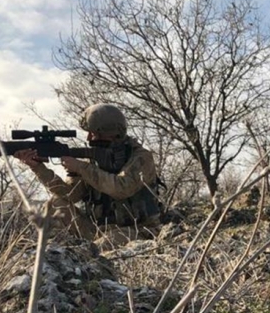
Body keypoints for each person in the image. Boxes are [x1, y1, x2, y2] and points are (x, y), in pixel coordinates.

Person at [14, 104, 161, 248]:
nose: (89, 138)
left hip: (139, 231)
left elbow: (121, 187)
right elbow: (70, 195)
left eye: (93, 133)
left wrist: (80, 167)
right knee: (56, 203)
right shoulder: (93, 160)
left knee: (103, 245)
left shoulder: (141, 157)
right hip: (97, 230)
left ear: (110, 133)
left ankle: (87, 253)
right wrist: (38, 167)